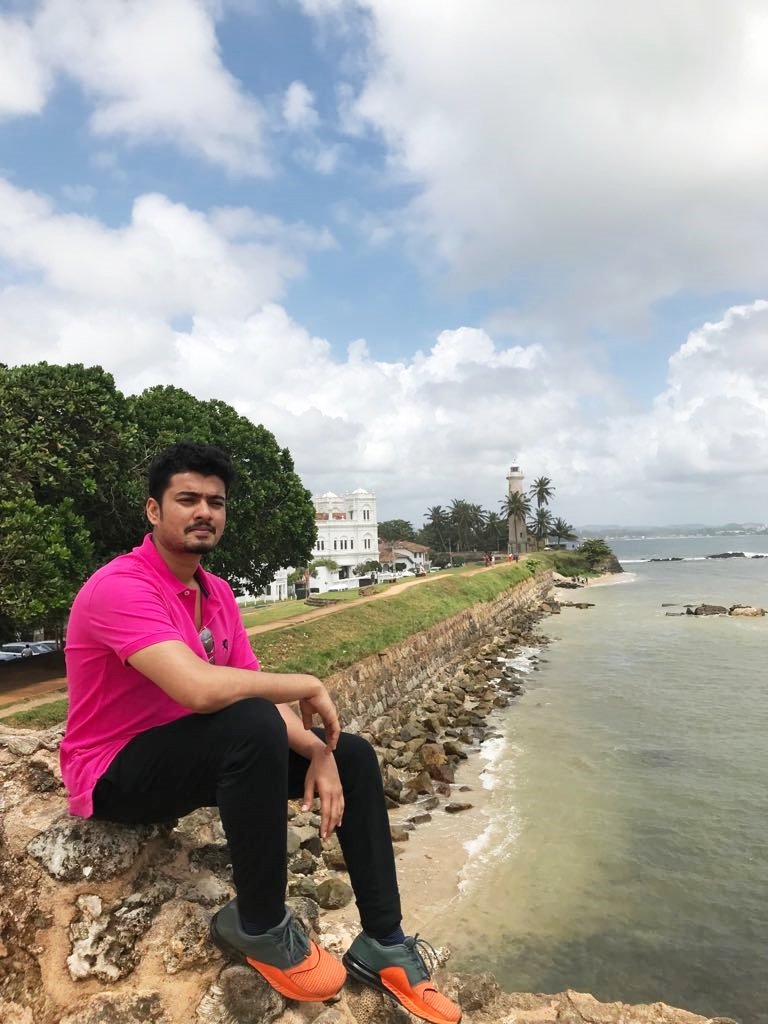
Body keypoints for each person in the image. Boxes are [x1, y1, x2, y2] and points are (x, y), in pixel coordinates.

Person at [60, 442, 459, 1024]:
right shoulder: (121, 586)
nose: (204, 513)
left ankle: (383, 942)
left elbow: (249, 687)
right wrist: (306, 681)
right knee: (247, 720)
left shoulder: (215, 593)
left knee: (350, 753)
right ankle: (260, 924)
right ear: (153, 511)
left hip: (196, 754)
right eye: (187, 499)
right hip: (114, 773)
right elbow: (202, 690)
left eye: (215, 503)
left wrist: (315, 751)